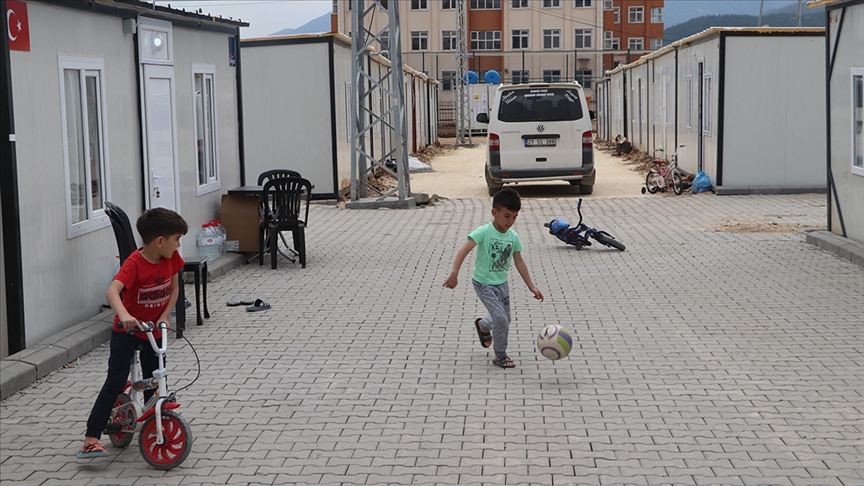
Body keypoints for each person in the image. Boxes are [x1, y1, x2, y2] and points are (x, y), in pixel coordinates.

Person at [77, 208, 188, 458]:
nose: (179, 245)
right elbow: (112, 291)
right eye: (177, 239)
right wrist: (125, 315)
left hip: (152, 330)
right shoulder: (134, 263)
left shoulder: (171, 259)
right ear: (160, 241)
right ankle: (91, 437)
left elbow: (174, 290)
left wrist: (163, 316)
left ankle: (153, 423)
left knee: (155, 378)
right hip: (126, 331)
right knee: (115, 380)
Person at [443, 188, 544, 369]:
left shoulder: (513, 237)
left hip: (501, 284)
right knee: (500, 318)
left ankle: (482, 325)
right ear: (494, 212)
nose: (510, 222)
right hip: (483, 283)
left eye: (514, 217)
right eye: (506, 216)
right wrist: (454, 273)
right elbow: (464, 250)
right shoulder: (484, 231)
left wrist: (532, 286)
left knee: (505, 318)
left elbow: (520, 262)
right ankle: (500, 355)